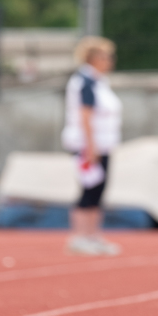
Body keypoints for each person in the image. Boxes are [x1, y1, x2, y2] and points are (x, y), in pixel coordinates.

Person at [62, 36, 122, 256]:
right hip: (88, 145)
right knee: (89, 189)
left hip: (102, 144)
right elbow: (85, 116)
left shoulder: (98, 81)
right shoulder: (85, 82)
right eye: (105, 57)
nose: (110, 61)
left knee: (99, 190)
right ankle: (80, 236)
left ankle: (93, 234)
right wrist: (90, 146)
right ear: (92, 58)